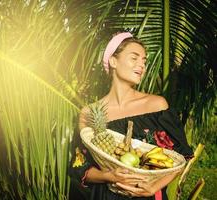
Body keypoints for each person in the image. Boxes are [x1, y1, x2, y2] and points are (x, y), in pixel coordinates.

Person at [69, 32, 193, 200]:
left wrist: (153, 188)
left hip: (148, 195)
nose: (141, 65)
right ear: (113, 61)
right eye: (134, 58)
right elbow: (80, 166)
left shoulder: (157, 105)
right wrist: (109, 176)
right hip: (105, 196)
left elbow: (181, 157)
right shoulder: (89, 113)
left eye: (144, 61)